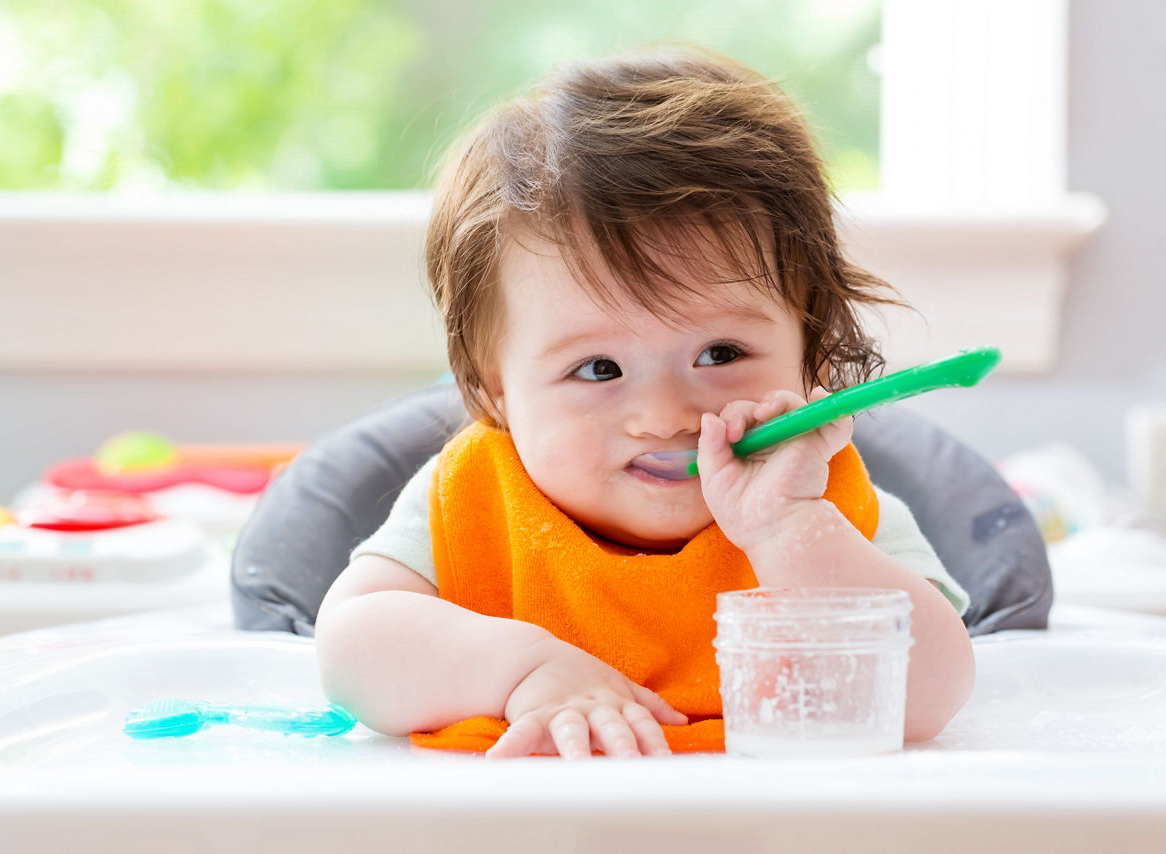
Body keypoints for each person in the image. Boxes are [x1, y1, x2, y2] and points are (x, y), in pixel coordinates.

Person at [315, 45, 975, 758]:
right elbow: (350, 654)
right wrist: (521, 669)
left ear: (810, 352)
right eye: (598, 368)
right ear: (493, 388)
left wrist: (788, 532)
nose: (664, 415)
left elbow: (933, 699)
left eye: (720, 355)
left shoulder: (823, 505)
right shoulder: (475, 500)